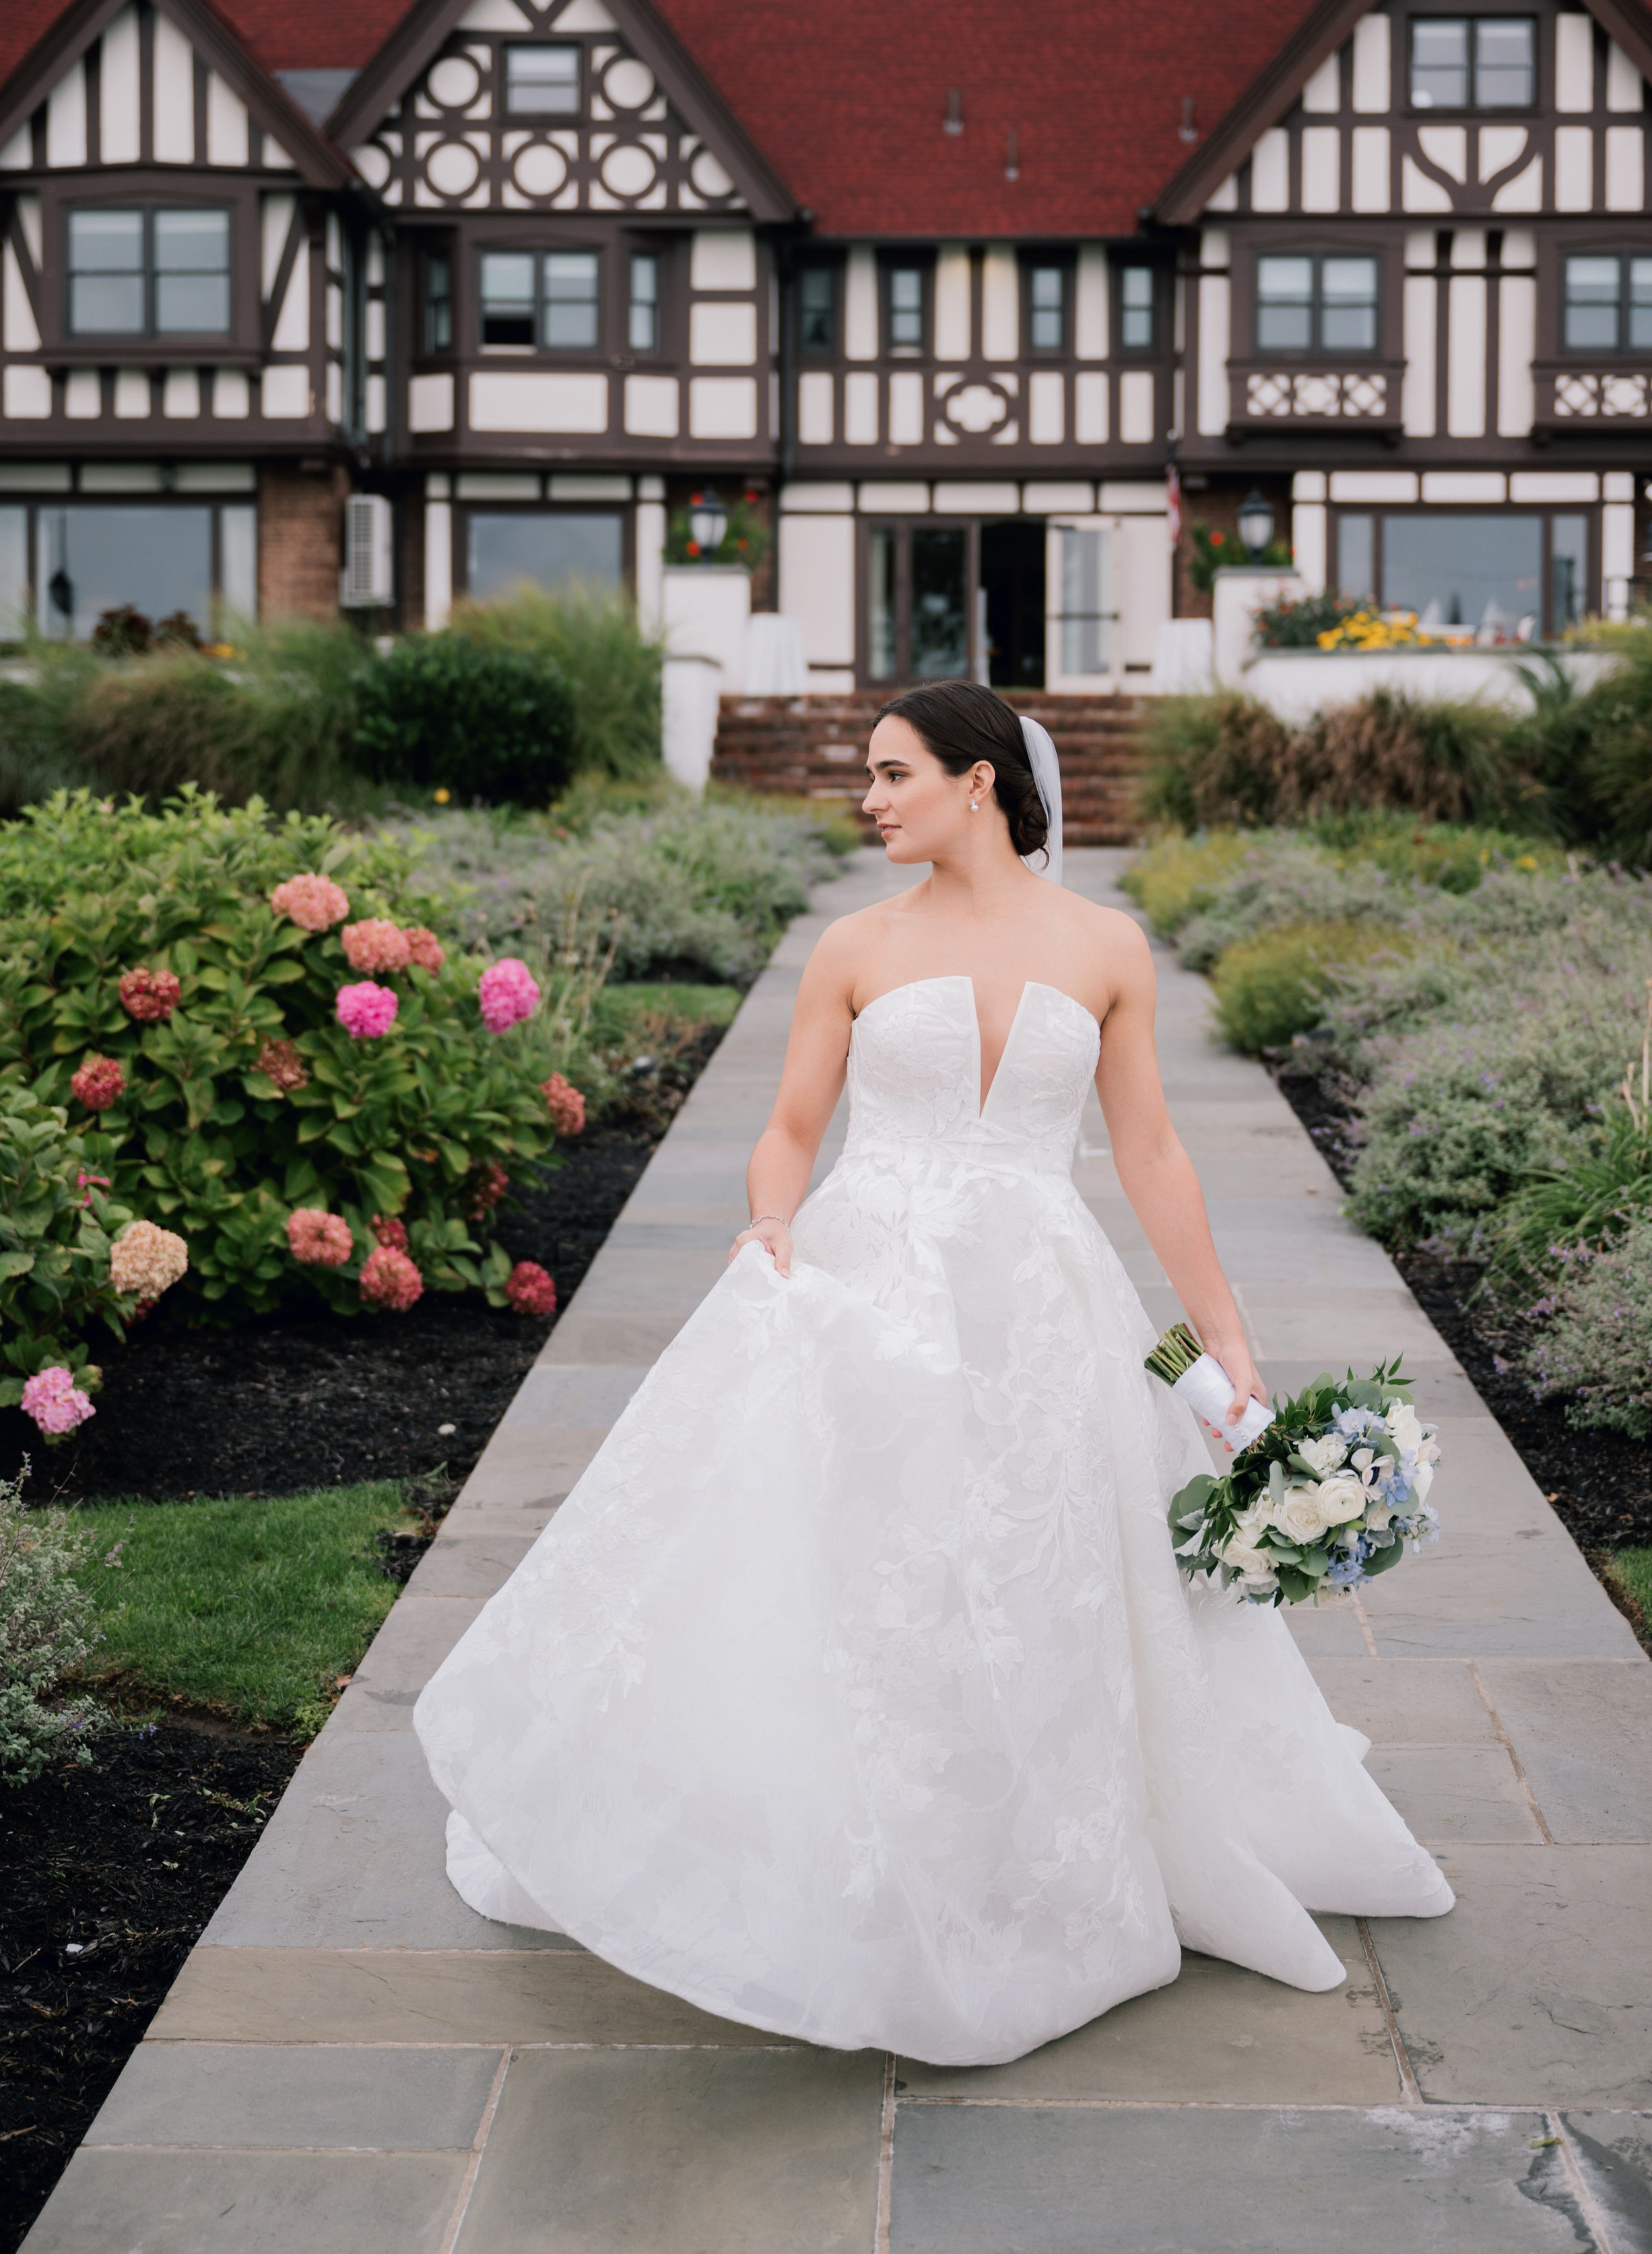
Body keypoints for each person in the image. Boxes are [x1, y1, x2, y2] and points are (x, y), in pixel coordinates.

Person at [415, 681, 1452, 2067]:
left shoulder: (1104, 946)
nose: (869, 798)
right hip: (865, 1283)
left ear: (979, 783)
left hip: (1041, 1299)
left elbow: (1148, 1154)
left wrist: (1223, 1338)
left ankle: (1023, 1837)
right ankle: (870, 1837)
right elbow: (790, 1127)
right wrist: (773, 1219)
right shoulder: (851, 944)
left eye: (893, 773)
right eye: (865, 776)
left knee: (1035, 1564)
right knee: (876, 1559)